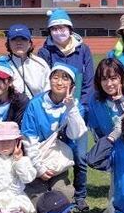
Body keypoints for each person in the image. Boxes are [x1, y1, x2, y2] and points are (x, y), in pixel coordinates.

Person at [36, 9, 95, 208]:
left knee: (79, 155)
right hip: (53, 111)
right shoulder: (45, 52)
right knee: (55, 152)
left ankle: (80, 195)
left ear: (70, 29)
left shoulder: (83, 50)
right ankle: (54, 193)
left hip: (78, 109)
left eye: (62, 27)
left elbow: (88, 83)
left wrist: (79, 107)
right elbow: (45, 82)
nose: (59, 32)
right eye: (54, 28)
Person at [19, 63, 88, 205]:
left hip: (58, 162)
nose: (59, 82)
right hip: (36, 160)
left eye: (65, 78)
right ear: (49, 80)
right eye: (55, 77)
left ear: (72, 84)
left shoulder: (75, 106)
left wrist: (70, 108)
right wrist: (39, 168)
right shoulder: (35, 104)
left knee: (63, 196)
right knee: (37, 202)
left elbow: (75, 134)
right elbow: (29, 139)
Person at [85, 58, 124, 140]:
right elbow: (96, 131)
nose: (109, 84)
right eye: (104, 79)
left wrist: (121, 101)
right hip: (109, 147)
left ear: (122, 77)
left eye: (113, 78)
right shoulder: (95, 100)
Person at [0, 23, 50, 99]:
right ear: (8, 43)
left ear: (30, 43)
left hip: (36, 109)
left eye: (23, 39)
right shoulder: (0, 64)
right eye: (14, 39)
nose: (19, 43)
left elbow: (49, 91)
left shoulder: (41, 64)